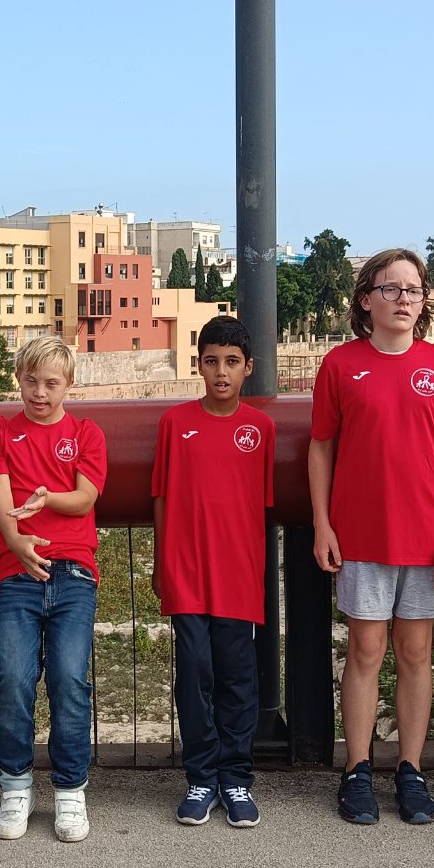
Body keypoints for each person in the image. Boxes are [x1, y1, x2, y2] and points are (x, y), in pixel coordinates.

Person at [309, 249, 434, 827]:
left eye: (414, 290)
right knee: (364, 651)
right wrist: (323, 524)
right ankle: (357, 770)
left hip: (426, 539)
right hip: (361, 535)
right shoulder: (340, 364)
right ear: (366, 299)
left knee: (416, 653)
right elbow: (321, 447)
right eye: (391, 288)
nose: (404, 299)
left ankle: (410, 769)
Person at [0, 336, 106, 842]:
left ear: (68, 384)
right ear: (18, 379)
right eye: (31, 381)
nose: (40, 392)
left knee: (70, 679)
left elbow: (85, 499)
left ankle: (70, 790)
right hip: (16, 573)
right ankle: (16, 785)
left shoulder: (87, 433)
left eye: (51, 383)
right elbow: (0, 500)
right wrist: (18, 542)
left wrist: (47, 498)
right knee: (13, 677)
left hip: (74, 573)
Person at [152, 316, 275, 829]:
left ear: (248, 367)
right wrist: (161, 562)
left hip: (238, 574)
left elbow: (260, 507)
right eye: (211, 361)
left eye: (231, 362)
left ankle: (236, 777)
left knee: (237, 676)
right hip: (186, 570)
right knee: (194, 673)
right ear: (198, 365)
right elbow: (162, 496)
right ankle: (201, 777)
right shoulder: (175, 423)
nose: (221, 372)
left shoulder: (260, 428)